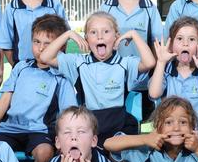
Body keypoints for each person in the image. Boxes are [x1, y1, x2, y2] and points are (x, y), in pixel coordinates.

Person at [40, 11, 156, 147]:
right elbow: (45, 57)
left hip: (119, 124)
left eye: (106, 31)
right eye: (93, 32)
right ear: (86, 39)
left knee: (119, 158)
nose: (100, 36)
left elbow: (149, 62)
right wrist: (68, 34)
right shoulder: (78, 63)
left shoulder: (124, 63)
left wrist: (134, 35)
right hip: (91, 125)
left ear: (116, 36)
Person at [0, 14, 77, 162]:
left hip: (40, 130)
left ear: (61, 46)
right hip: (10, 128)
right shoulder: (21, 67)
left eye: (48, 44)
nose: (41, 48)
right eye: (37, 42)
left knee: (45, 154)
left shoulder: (61, 76)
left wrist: (65, 139)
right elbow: (6, 97)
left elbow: (68, 112)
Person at [149, 16, 198, 155]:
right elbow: (154, 93)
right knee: (157, 157)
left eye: (191, 39)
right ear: (171, 45)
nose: (185, 44)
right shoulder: (165, 71)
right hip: (170, 131)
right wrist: (160, 63)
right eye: (179, 39)